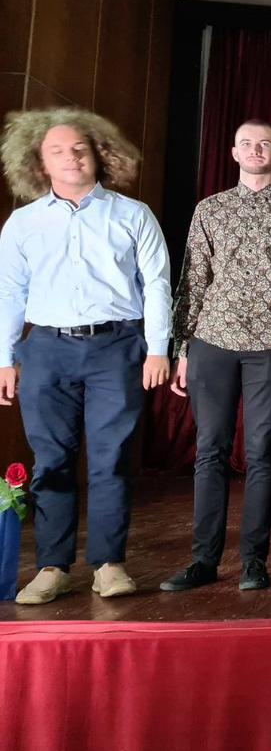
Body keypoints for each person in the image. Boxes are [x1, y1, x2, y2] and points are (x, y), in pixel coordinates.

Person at [0, 109, 171, 604]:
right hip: (46, 350)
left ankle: (109, 564)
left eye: (79, 148)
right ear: (40, 163)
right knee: (51, 461)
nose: (70, 157)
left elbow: (157, 286)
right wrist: (5, 358)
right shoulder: (22, 223)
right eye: (57, 150)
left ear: (99, 155)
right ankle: (52, 567)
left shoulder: (133, 215)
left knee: (111, 458)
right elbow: (10, 292)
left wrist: (158, 348)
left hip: (116, 348)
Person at [162, 120, 271, 593]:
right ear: (234, 153)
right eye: (247, 143)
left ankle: (254, 561)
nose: (256, 150)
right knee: (210, 450)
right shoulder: (209, 209)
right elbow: (192, 282)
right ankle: (203, 560)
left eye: (265, 144)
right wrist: (183, 350)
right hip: (211, 342)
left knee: (261, 451)